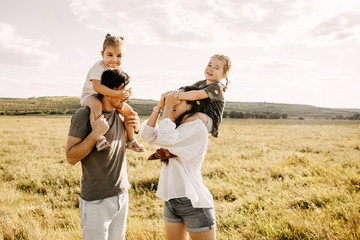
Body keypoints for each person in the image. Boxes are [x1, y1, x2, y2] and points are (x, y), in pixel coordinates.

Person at [66, 69, 139, 240]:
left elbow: (120, 145)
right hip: (95, 202)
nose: (126, 95)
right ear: (108, 91)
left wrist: (135, 128)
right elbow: (70, 157)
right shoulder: (84, 115)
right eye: (123, 90)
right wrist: (95, 134)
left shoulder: (120, 116)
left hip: (121, 196)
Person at [140, 86, 217, 240]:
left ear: (190, 105)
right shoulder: (175, 127)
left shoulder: (195, 128)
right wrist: (159, 107)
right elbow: (147, 135)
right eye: (172, 99)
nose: (173, 103)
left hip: (194, 203)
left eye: (178, 100)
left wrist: (168, 107)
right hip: (172, 200)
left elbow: (164, 139)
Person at [148, 54, 231, 160]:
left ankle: (174, 147)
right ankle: (171, 144)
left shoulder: (216, 89)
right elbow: (188, 91)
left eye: (216, 68)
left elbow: (195, 95)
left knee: (193, 117)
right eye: (209, 65)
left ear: (224, 74)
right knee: (181, 116)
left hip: (210, 120)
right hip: (200, 116)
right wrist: (172, 95)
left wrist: (176, 95)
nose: (210, 69)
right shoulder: (201, 83)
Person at [80, 33, 144, 152]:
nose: (114, 59)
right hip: (91, 95)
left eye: (119, 56)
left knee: (130, 113)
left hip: (110, 99)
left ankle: (130, 140)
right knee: (96, 105)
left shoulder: (119, 69)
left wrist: (127, 93)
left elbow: (125, 85)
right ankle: (98, 137)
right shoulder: (98, 66)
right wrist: (117, 94)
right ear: (102, 54)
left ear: (123, 56)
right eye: (110, 55)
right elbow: (97, 87)